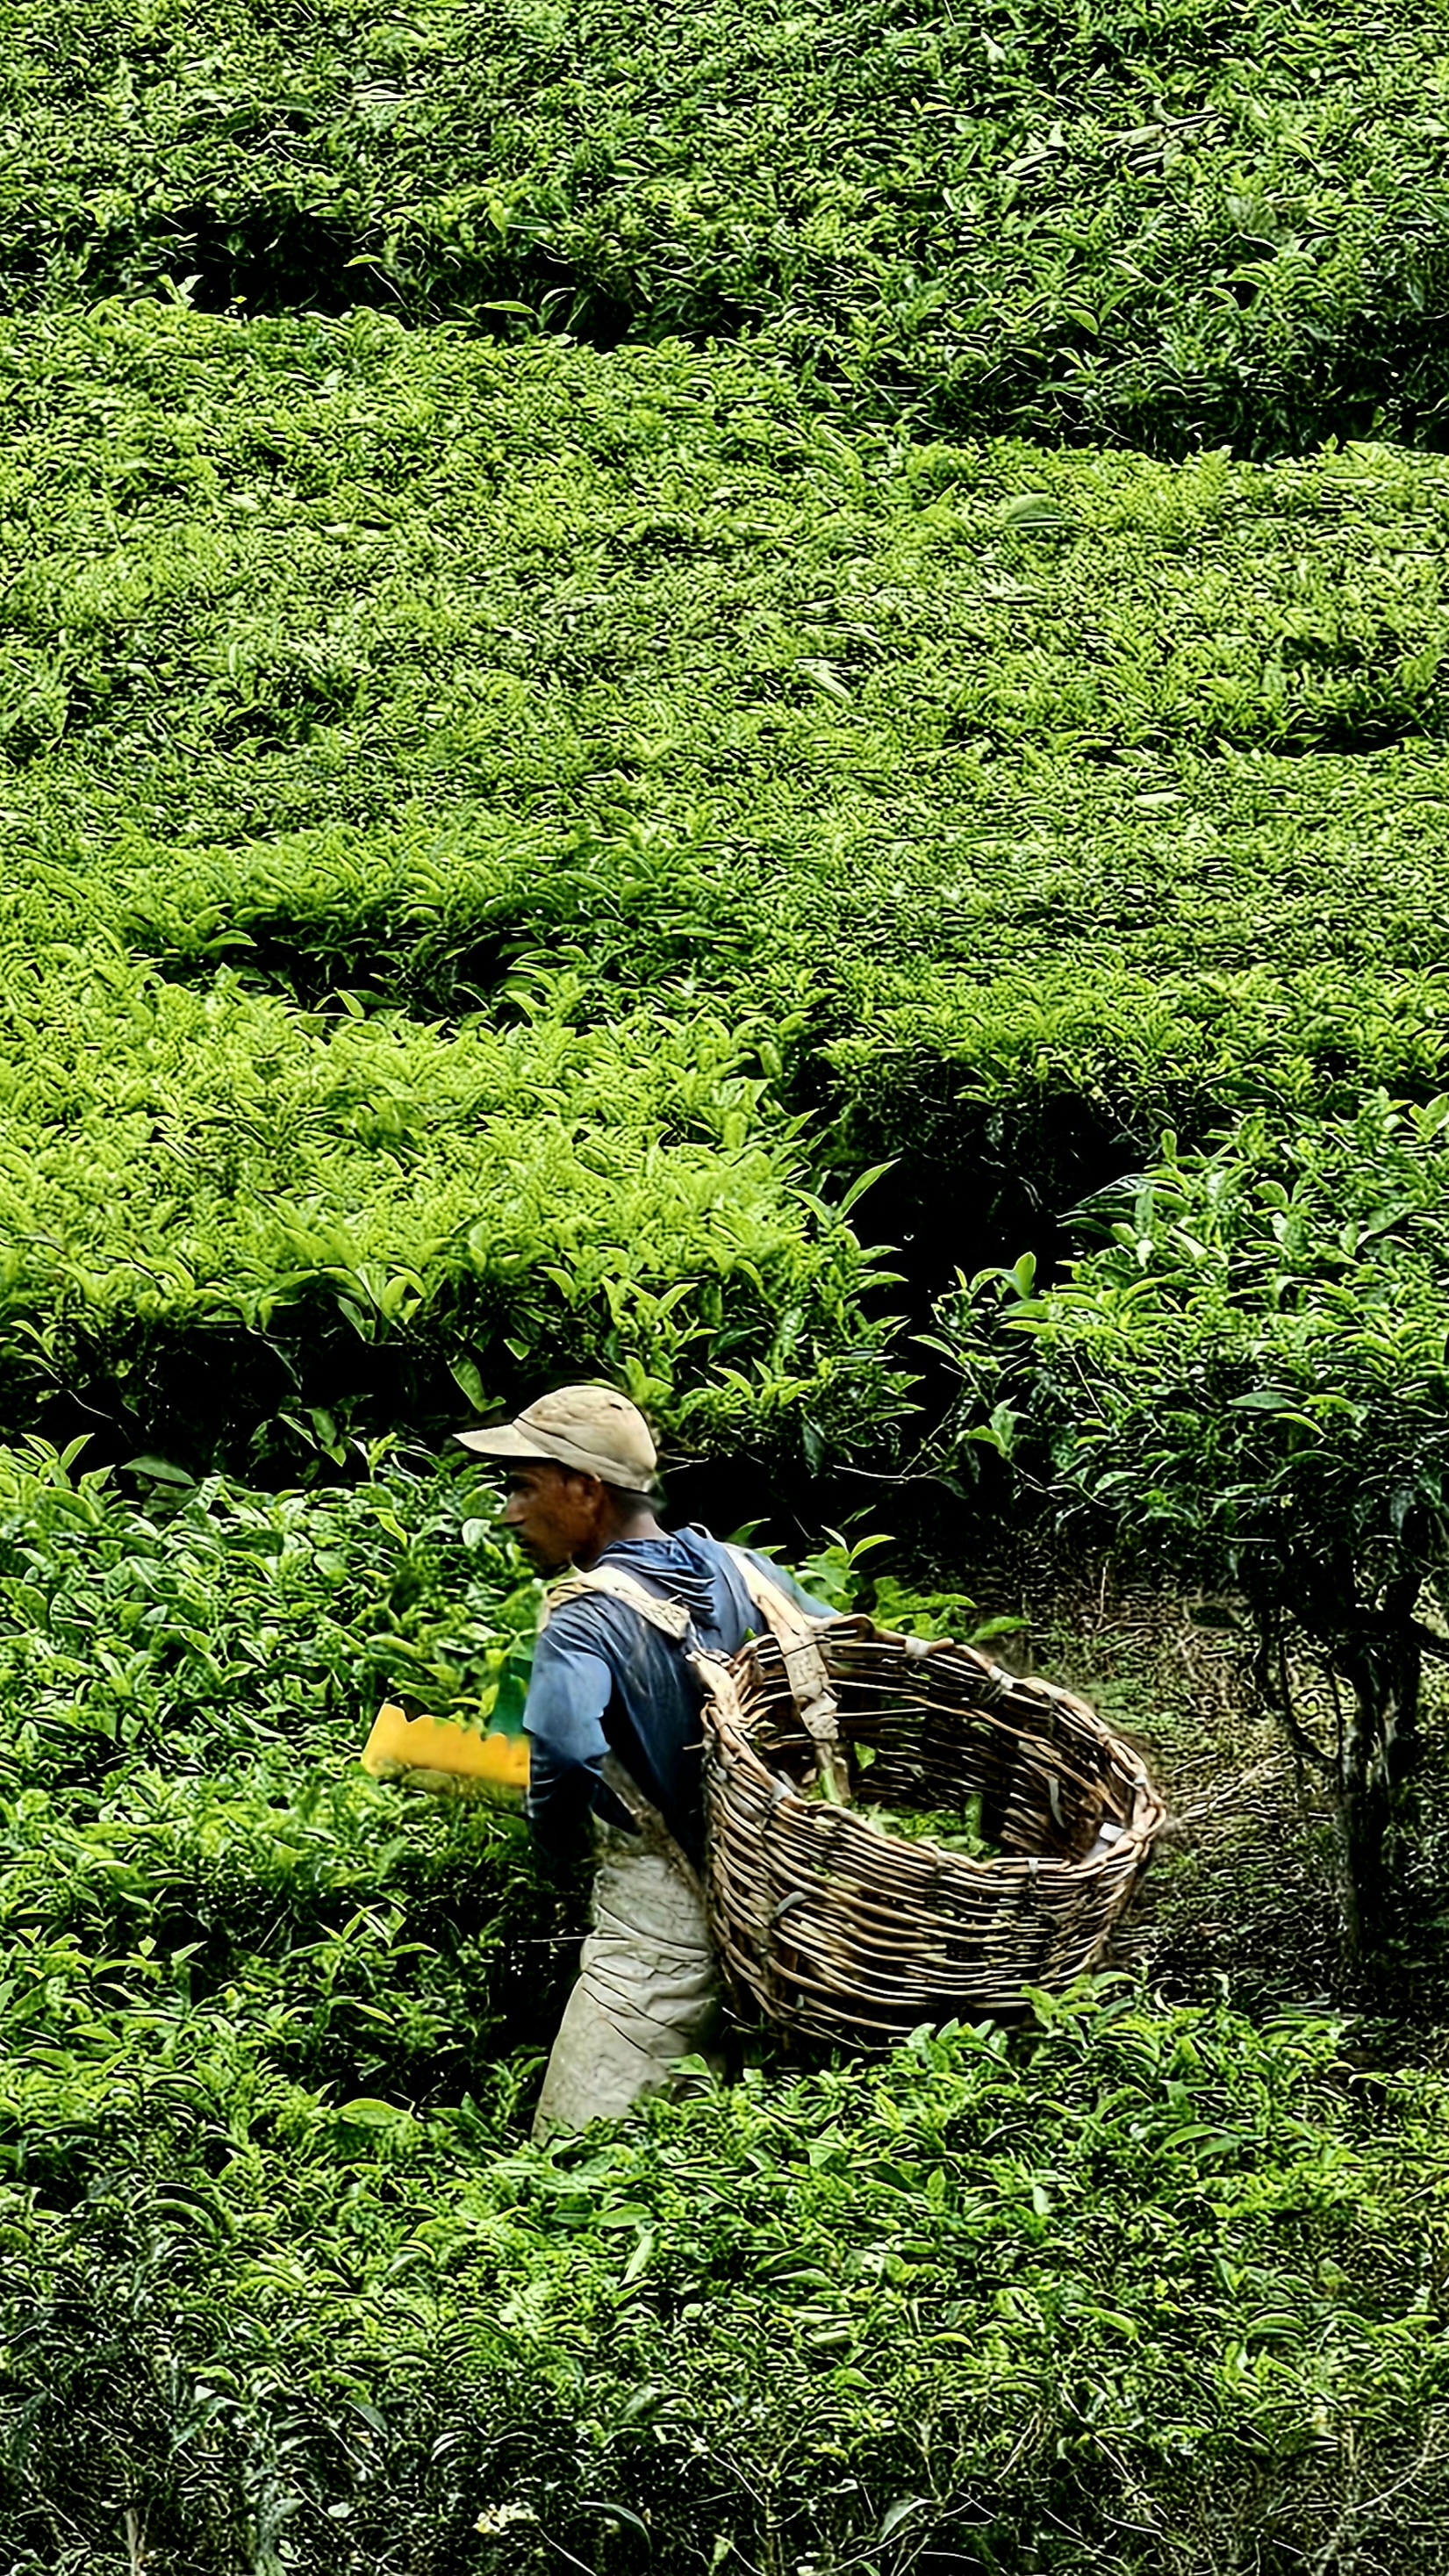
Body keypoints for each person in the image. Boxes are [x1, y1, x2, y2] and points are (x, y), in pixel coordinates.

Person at [456, 1382, 827, 2138]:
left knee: (570, 2160)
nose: (508, 1512)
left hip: (659, 1935)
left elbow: (562, 1745)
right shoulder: (747, 1571)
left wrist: (554, 1838)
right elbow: (843, 1664)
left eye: (523, 1487)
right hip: (784, 1905)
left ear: (585, 1488)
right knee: (729, 2145)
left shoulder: (584, 1617)